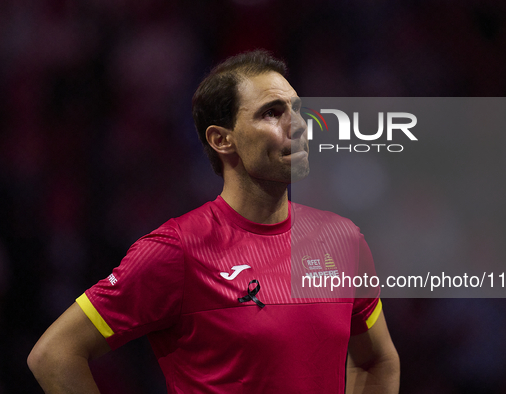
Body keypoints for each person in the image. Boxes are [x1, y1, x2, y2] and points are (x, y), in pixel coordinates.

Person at [28, 50, 400, 393]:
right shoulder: (176, 249)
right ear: (223, 140)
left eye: (298, 109)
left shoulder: (343, 239)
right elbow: (54, 355)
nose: (300, 125)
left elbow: (376, 361)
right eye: (272, 112)